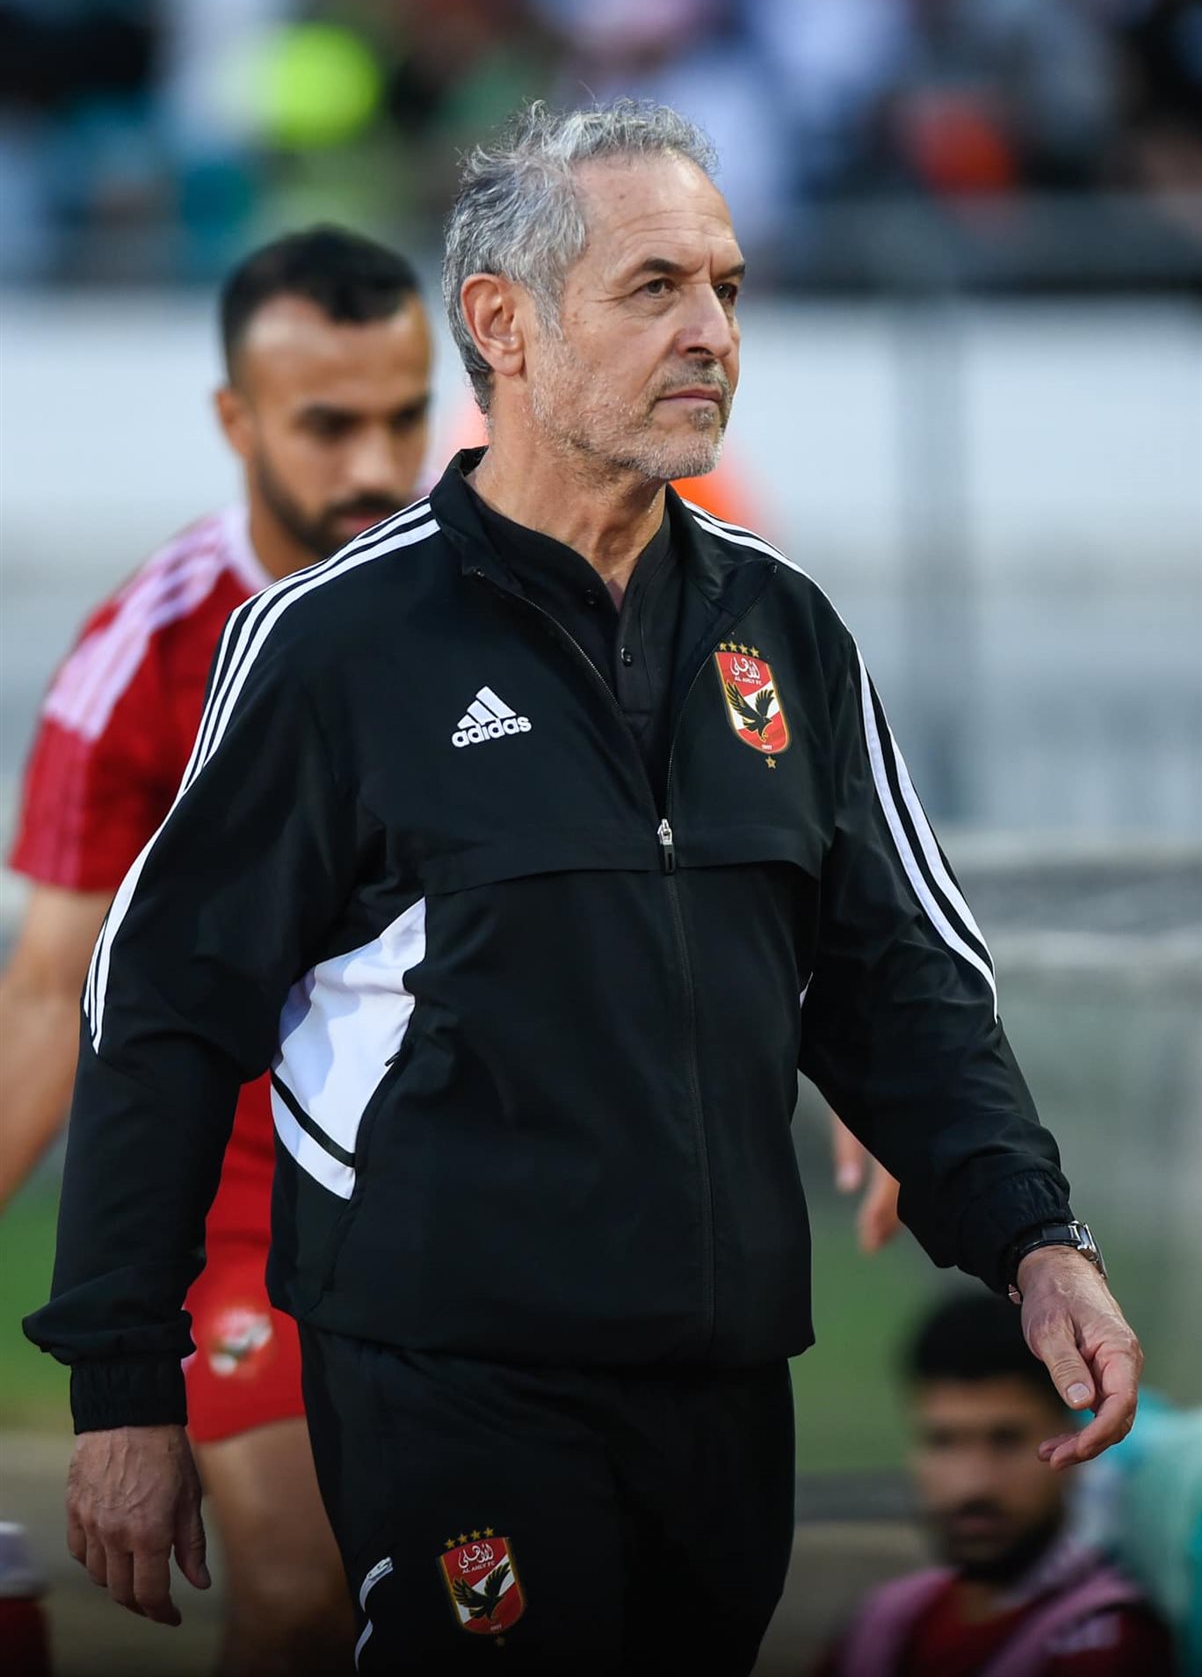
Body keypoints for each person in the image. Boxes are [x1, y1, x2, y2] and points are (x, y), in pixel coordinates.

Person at [24, 101, 1143, 1675]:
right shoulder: (336, 647)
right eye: (654, 288)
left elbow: (899, 988)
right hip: (447, 1376)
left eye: (726, 289)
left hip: (724, 1381)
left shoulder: (789, 633)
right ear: (503, 325)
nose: (712, 334)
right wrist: (124, 1386)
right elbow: (157, 1011)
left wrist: (1037, 1242)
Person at [2, 224, 433, 1673]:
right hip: (257, 1203)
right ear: (235, 420)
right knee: (305, 1596)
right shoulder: (144, 654)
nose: (375, 465)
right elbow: (49, 997)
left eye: (405, 417)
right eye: (327, 424)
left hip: (493, 1179)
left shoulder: (509, 586)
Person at [812, 1292, 1176, 1676]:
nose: (974, 1484)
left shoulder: (1108, 1639)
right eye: (943, 1441)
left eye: (1007, 1440)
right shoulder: (886, 1621)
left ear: (1076, 1446)